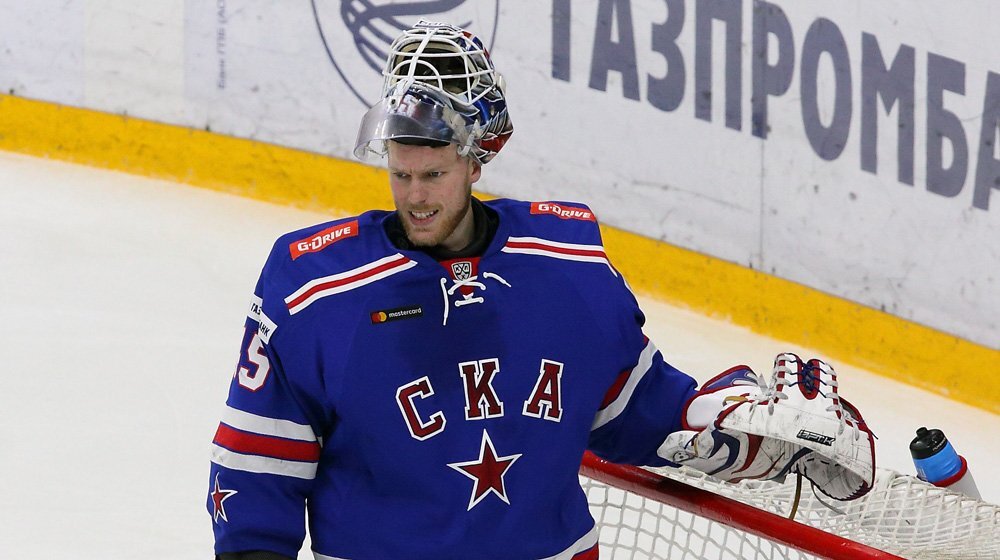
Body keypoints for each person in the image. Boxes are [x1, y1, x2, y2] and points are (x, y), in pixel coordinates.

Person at [207, 20, 876, 560]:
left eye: (434, 175)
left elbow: (638, 413)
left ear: (477, 158)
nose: (414, 197)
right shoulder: (314, 287)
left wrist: (755, 435)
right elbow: (254, 474)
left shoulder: (567, 263)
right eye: (400, 173)